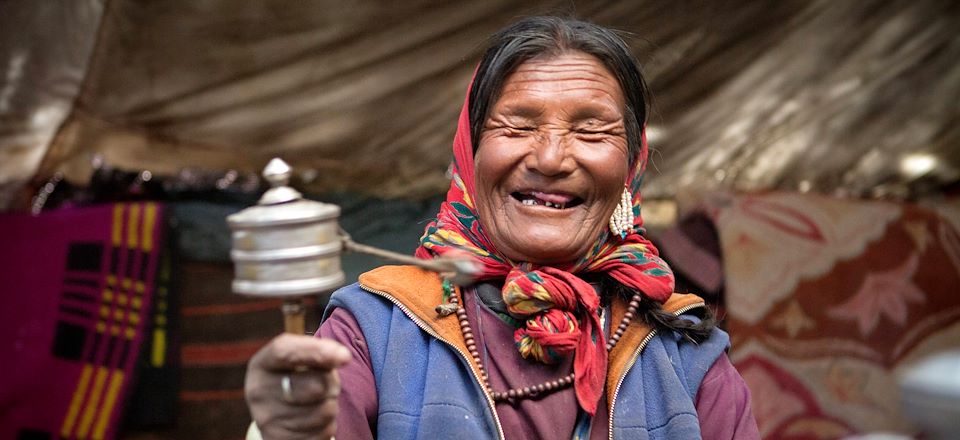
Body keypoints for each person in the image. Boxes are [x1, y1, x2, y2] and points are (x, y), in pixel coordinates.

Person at [244, 16, 760, 440]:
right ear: (470, 153)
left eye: (590, 130)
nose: (552, 158)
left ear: (632, 166)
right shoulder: (374, 329)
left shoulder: (687, 354)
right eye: (517, 125)